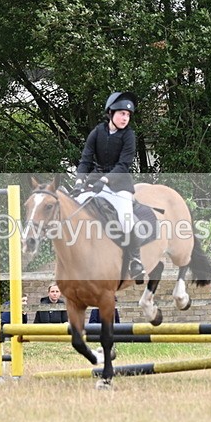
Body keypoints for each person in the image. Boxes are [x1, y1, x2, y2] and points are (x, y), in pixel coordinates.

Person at [72, 91, 145, 281]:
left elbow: (123, 165)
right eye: (122, 113)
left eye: (128, 115)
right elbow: (85, 160)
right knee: (73, 207)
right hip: (95, 179)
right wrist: (79, 181)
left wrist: (104, 181)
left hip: (119, 184)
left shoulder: (129, 136)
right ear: (110, 113)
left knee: (126, 219)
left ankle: (135, 261)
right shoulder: (97, 132)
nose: (125, 118)